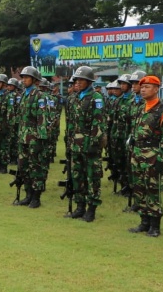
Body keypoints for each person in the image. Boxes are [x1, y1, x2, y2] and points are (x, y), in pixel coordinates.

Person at [128, 76, 163, 237]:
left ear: (156, 89)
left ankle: (155, 225)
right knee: (139, 188)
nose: (143, 89)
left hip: (153, 156)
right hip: (137, 155)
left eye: (147, 87)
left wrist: (161, 159)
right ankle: (144, 222)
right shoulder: (140, 109)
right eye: (142, 87)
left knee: (152, 190)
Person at [68, 66, 106, 221]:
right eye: (77, 80)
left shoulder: (96, 97)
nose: (79, 82)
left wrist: (93, 143)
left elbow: (99, 123)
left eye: (82, 80)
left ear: (89, 81)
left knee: (92, 177)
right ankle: (80, 206)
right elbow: (72, 122)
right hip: (76, 145)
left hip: (90, 145)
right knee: (78, 176)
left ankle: (91, 209)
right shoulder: (76, 97)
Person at [15, 66, 50, 208]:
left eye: (27, 77)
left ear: (34, 80)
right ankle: (28, 194)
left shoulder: (40, 96)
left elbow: (42, 118)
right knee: (24, 167)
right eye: (22, 77)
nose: (23, 80)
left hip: (34, 137)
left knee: (35, 167)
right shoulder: (23, 94)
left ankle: (36, 197)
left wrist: (41, 138)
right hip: (23, 136)